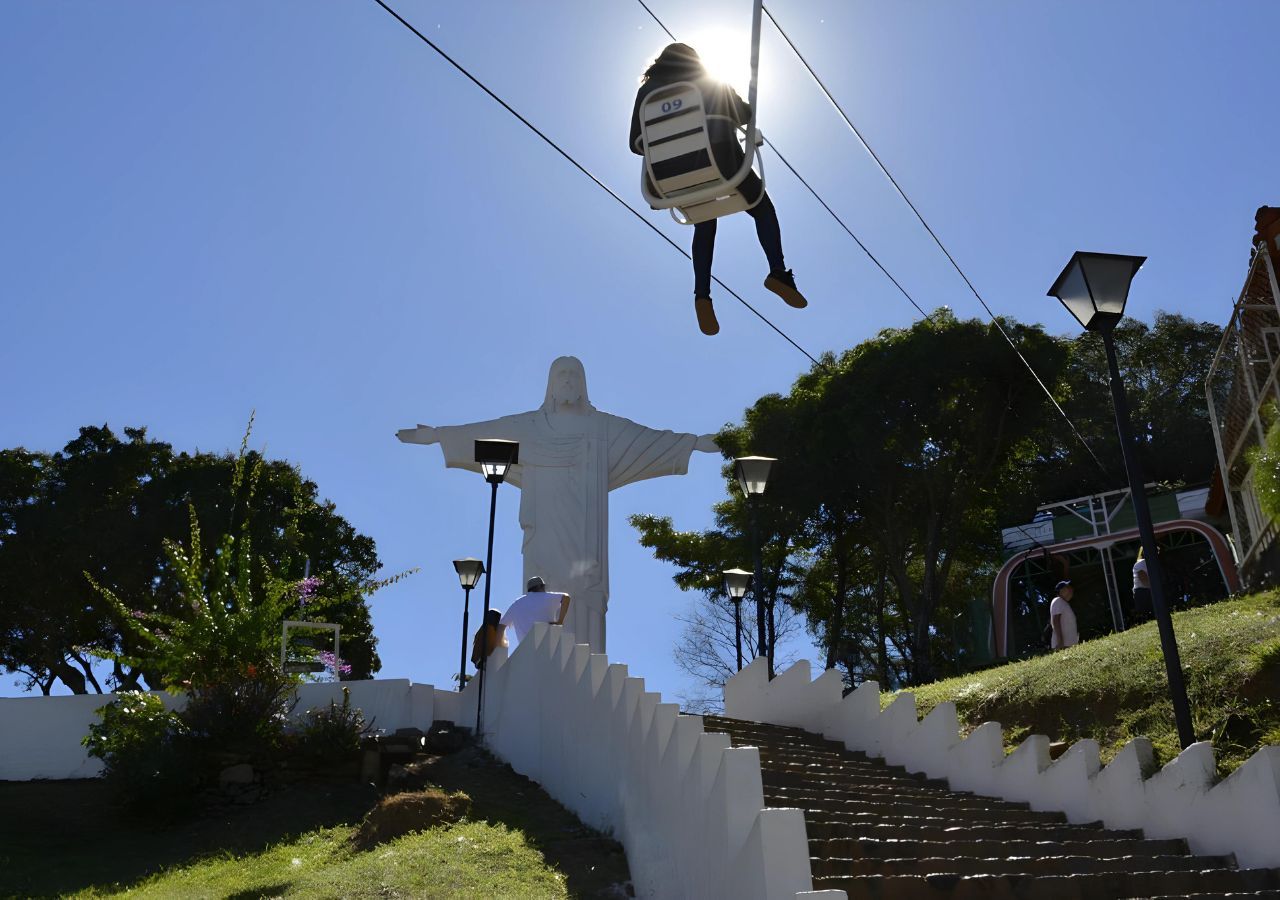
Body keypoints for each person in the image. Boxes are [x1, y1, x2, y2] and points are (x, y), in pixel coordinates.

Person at [629, 43, 808, 336]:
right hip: (720, 161)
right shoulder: (709, 80)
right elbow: (744, 115)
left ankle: (702, 294)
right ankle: (778, 271)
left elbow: (635, 142)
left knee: (705, 218)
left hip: (666, 178)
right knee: (762, 206)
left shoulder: (646, 93)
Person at [500, 576, 571, 645]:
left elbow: (502, 624)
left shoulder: (517, 603)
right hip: (548, 645)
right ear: (540, 587)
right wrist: (560, 621)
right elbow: (566, 597)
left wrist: (502, 644)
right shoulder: (546, 597)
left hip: (525, 648)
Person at [1049, 580, 1079, 650]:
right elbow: (1055, 621)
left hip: (1068, 645)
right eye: (1068, 587)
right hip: (1063, 646)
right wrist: (1060, 642)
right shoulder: (1058, 600)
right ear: (1062, 590)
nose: (1071, 590)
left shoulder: (1063, 602)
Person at [1132, 548, 1153, 626]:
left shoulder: (1148, 563)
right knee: (1145, 614)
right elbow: (1144, 581)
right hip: (1143, 592)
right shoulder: (1141, 564)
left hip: (1145, 591)